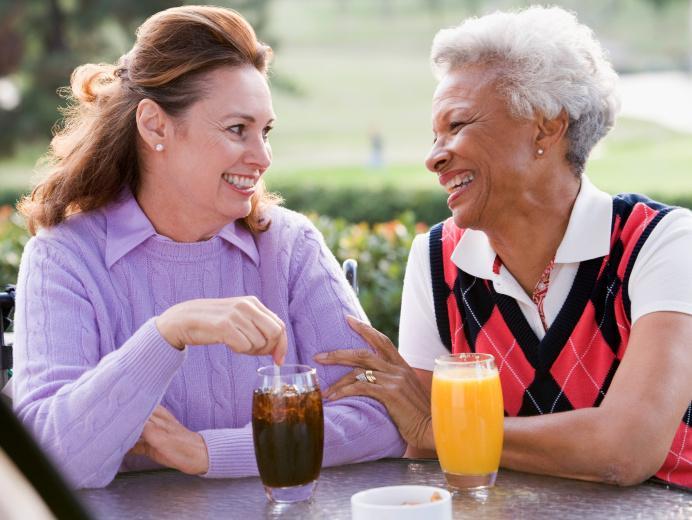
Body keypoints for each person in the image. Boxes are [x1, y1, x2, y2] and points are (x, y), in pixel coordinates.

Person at [12, 5, 404, 489]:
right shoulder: (66, 256)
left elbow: (382, 413)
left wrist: (207, 452)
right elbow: (53, 458)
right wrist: (169, 331)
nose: (262, 157)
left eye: (266, 131)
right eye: (237, 129)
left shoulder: (287, 245)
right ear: (155, 126)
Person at [316, 6, 692, 488]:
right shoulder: (434, 260)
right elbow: (423, 452)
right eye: (435, 135)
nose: (433, 157)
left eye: (458, 125)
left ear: (545, 128)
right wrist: (432, 433)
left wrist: (441, 430)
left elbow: (624, 449)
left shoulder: (662, 243)